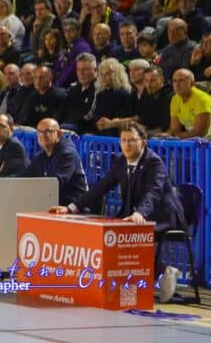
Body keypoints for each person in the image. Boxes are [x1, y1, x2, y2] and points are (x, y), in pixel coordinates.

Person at [51, 123, 186, 303]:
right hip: (133, 214)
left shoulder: (154, 163)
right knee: (112, 234)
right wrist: (71, 207)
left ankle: (161, 273)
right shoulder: (120, 161)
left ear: (143, 143)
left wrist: (140, 214)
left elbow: (152, 193)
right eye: (123, 140)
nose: (127, 145)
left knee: (133, 237)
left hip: (162, 215)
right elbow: (101, 187)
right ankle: (129, 284)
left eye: (132, 140)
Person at [20, 118, 87, 205]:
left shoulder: (68, 154)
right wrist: (4, 181)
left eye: (47, 131)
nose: (43, 135)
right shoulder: (40, 156)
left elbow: (56, 183)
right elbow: (26, 175)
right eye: (39, 132)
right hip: (52, 204)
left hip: (73, 207)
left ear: (58, 134)